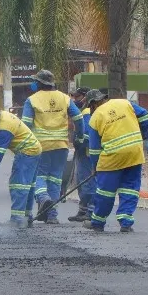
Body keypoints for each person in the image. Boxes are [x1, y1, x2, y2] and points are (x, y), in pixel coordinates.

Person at [84, 90, 148, 233]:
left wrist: (96, 166)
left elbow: (95, 149)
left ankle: (97, 222)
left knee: (105, 191)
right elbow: (145, 115)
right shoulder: (125, 103)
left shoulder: (95, 117)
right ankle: (125, 221)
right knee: (130, 187)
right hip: (134, 152)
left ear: (93, 104)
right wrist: (143, 132)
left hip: (112, 157)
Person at [21, 69, 84, 224]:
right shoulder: (65, 98)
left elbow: (26, 125)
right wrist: (79, 137)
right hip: (61, 145)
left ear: (39, 83)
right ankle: (52, 215)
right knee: (55, 179)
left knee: (39, 177)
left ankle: (43, 198)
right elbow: (79, 118)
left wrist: (23, 145)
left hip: (40, 145)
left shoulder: (32, 100)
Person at [0, 104, 42, 228]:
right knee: (27, 185)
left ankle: (17, 219)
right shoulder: (0, 119)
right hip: (34, 149)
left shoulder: (4, 128)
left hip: (26, 151)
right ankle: (27, 217)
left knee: (18, 185)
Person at [67, 87, 96, 222]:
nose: (74, 100)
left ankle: (90, 211)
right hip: (82, 152)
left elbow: (87, 133)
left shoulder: (87, 112)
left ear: (85, 97)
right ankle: (83, 210)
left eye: (77, 97)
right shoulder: (81, 112)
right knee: (80, 180)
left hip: (87, 153)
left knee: (87, 181)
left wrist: (79, 142)